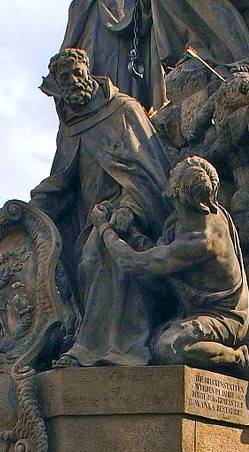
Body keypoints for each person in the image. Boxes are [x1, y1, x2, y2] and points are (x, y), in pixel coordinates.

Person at [31, 48, 171, 366]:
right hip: (89, 215)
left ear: (87, 71)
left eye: (74, 73)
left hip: (131, 212)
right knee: (79, 261)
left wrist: (130, 207)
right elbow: (63, 177)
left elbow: (146, 173)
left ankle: (113, 348)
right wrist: (34, 206)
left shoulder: (123, 109)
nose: (71, 82)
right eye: (63, 78)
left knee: (100, 254)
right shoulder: (71, 124)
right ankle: (90, 343)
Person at [91, 155, 249, 378]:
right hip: (193, 309)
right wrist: (130, 233)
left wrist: (103, 228)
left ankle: (236, 357)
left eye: (175, 173)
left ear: (177, 192)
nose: (171, 171)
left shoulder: (200, 240)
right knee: (144, 341)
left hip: (225, 318)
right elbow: (155, 253)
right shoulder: (191, 215)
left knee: (167, 348)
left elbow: (130, 263)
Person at [60, 0, 147, 106]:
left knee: (123, 100)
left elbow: (146, 24)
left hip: (122, 55)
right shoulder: (79, 2)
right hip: (90, 62)